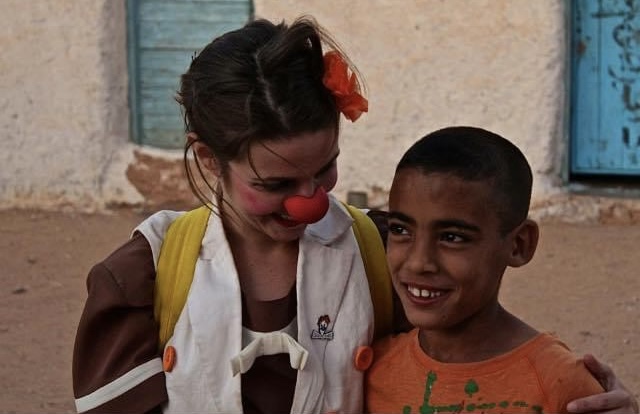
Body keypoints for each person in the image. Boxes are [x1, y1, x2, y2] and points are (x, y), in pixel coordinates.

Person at [71, 16, 636, 414]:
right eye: (276, 184)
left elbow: (457, 356)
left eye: (325, 170)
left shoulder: (376, 253)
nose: (310, 199)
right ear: (207, 158)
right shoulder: (145, 275)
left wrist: (573, 387)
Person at [365, 126, 639, 414]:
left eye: (452, 237)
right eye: (400, 229)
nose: (418, 262)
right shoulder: (372, 371)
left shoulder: (561, 386)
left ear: (519, 244)